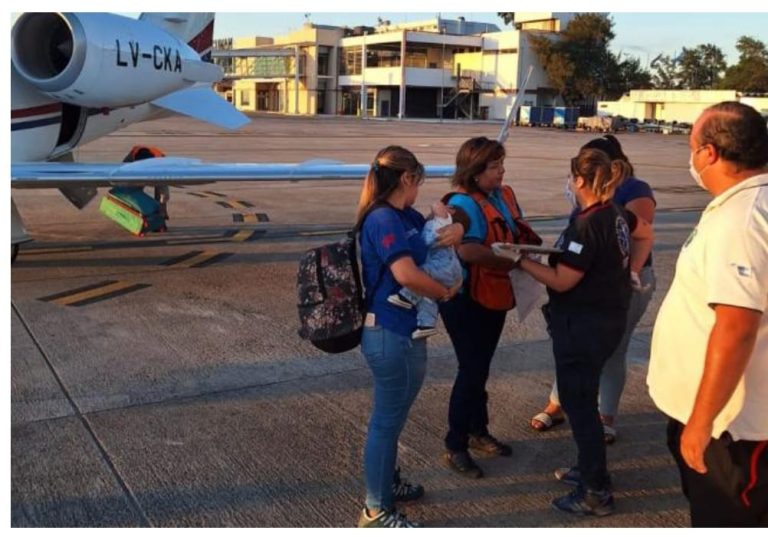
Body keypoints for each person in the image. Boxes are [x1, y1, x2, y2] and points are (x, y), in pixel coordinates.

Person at [648, 101, 768, 527]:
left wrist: (700, 423)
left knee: (727, 519)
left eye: (692, 146)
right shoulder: (747, 206)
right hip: (733, 419)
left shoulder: (742, 219)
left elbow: (736, 327)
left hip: (732, 430)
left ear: (710, 153)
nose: (691, 157)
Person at [515, 147, 653, 516]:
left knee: (579, 407)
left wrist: (521, 261)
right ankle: (590, 468)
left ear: (578, 180)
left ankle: (596, 491)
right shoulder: (618, 214)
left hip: (583, 326)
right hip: (607, 319)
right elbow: (647, 234)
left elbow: (562, 281)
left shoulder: (587, 223)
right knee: (586, 399)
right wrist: (632, 271)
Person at [356, 145, 464, 528]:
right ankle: (376, 510)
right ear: (407, 178)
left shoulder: (405, 216)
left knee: (393, 418)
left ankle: (387, 484)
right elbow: (405, 274)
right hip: (389, 332)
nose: (420, 189)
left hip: (403, 332)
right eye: (418, 181)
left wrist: (457, 228)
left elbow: (433, 238)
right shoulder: (383, 220)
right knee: (385, 423)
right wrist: (444, 292)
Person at [530, 135, 657, 444]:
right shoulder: (594, 205)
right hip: (589, 284)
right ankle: (560, 403)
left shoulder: (627, 196)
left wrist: (632, 272)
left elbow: (641, 231)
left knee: (611, 352)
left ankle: (604, 418)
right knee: (577, 356)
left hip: (612, 286)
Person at [440, 136, 542, 478]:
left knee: (479, 368)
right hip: (466, 300)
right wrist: (512, 260)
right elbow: (467, 251)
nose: (502, 171)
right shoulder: (462, 204)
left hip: (494, 295)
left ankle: (477, 430)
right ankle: (456, 444)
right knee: (470, 370)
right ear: (474, 170)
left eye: (502, 164)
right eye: (494, 166)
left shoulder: (501, 196)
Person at [387, 201, 463, 339]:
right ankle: (427, 324)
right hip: (448, 269)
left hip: (442, 267)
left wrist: (439, 209)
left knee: (422, 274)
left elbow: (429, 238)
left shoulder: (440, 224)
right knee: (427, 298)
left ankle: (407, 296)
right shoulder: (437, 223)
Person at [122, 145, 171, 220]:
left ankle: (161, 212)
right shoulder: (130, 159)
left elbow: (164, 180)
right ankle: (139, 211)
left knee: (163, 194)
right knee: (135, 192)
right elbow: (122, 172)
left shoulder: (161, 160)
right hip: (138, 173)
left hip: (157, 173)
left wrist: (162, 206)